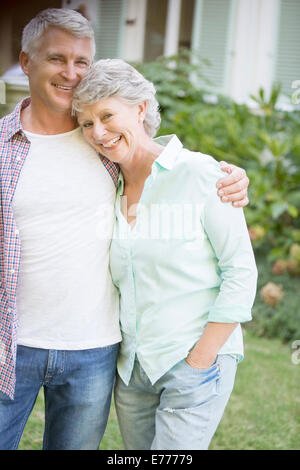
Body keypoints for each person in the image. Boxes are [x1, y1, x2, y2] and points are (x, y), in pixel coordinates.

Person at [0, 8, 249, 451]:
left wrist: (231, 180)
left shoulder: (151, 161)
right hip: (51, 353)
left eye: (82, 62)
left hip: (119, 354)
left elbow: (236, 266)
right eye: (57, 59)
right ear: (27, 61)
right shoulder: (30, 151)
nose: (98, 131)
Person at [72, 58, 258, 450]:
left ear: (140, 109)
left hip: (192, 360)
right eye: (87, 123)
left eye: (107, 115)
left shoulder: (203, 176)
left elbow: (240, 272)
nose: (98, 132)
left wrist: (200, 361)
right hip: (134, 370)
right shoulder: (105, 185)